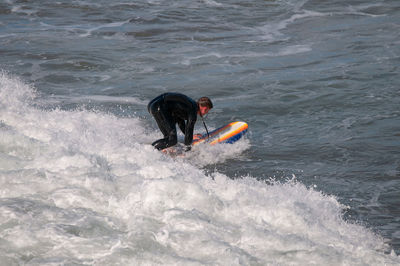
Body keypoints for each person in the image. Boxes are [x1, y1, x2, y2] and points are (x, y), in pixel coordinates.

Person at [147, 92, 213, 151]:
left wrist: (190, 136)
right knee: (172, 139)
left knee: (169, 137)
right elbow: (189, 128)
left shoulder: (190, 105)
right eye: (207, 111)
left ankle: (159, 149)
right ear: (205, 108)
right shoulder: (193, 110)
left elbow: (180, 121)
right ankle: (149, 150)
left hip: (153, 105)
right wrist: (188, 149)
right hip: (160, 107)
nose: (206, 113)